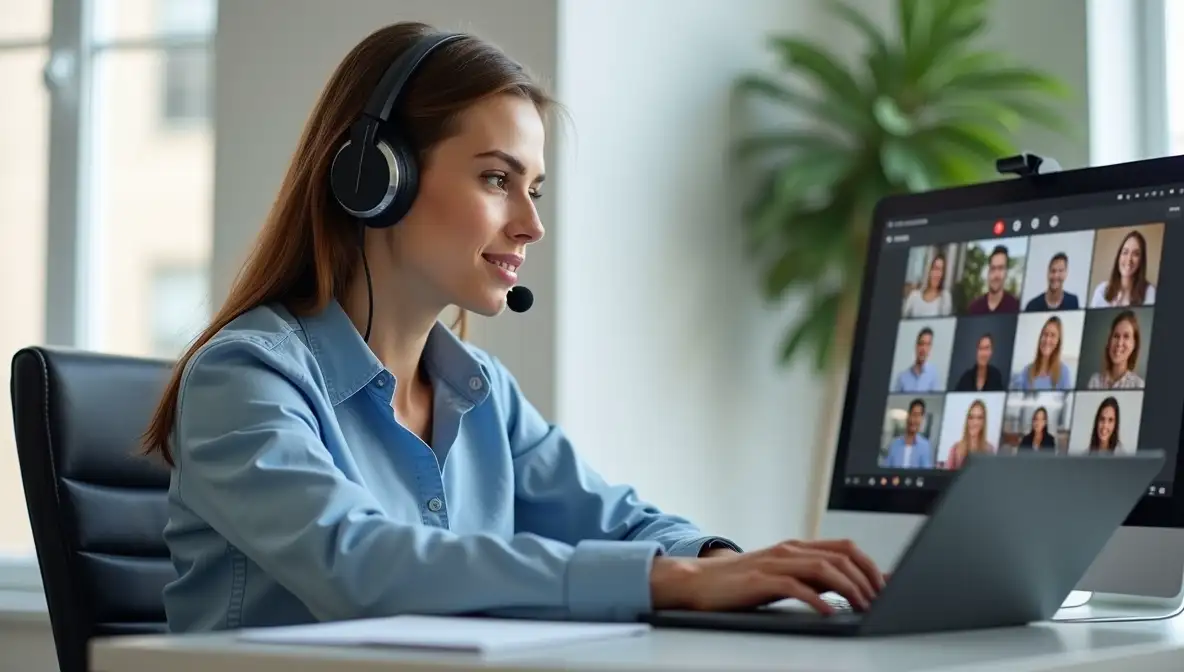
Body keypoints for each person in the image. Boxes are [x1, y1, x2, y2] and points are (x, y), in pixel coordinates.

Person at [138, 23, 884, 633]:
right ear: (377, 178)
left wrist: (725, 565)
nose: (531, 225)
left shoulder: (479, 392)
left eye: (535, 189)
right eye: (497, 179)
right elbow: (361, 563)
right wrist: (673, 582)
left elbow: (620, 523)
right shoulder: (245, 380)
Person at [1089, 230, 1157, 307]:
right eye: (1125, 252)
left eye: (1135, 254)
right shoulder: (1101, 290)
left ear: (1141, 260)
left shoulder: (1150, 293)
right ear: (1119, 256)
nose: (1129, 259)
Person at [1086, 310, 1146, 389]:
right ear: (1109, 341)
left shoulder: (1139, 385)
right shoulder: (1095, 381)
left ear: (1134, 344)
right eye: (1116, 336)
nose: (1119, 343)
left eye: (1126, 336)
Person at [1011, 316, 1072, 391]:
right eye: (1045, 334)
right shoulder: (1026, 371)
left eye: (1053, 335)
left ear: (1058, 342)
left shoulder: (1064, 372)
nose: (1047, 340)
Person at [943, 399, 996, 470]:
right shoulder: (955, 448)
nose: (975, 422)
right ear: (967, 420)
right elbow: (947, 474)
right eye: (971, 417)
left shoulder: (990, 449)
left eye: (979, 418)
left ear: (984, 422)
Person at [966, 245, 1020, 314]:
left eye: (1000, 268)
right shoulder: (974, 307)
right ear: (988, 272)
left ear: (1006, 272)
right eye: (993, 268)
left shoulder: (1015, 306)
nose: (996, 275)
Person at [881, 399, 934, 468]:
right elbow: (886, 469)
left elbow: (926, 471)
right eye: (912, 414)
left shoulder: (925, 446)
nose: (913, 420)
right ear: (908, 416)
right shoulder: (894, 444)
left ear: (922, 419)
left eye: (917, 415)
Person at [901, 252, 952, 317]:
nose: (938, 274)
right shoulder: (914, 296)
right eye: (936, 268)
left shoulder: (945, 298)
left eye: (942, 271)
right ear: (930, 271)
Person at [891, 327, 941, 392]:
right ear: (916, 346)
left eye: (927, 345)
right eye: (921, 344)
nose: (924, 349)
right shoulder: (902, 377)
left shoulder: (934, 375)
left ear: (930, 348)